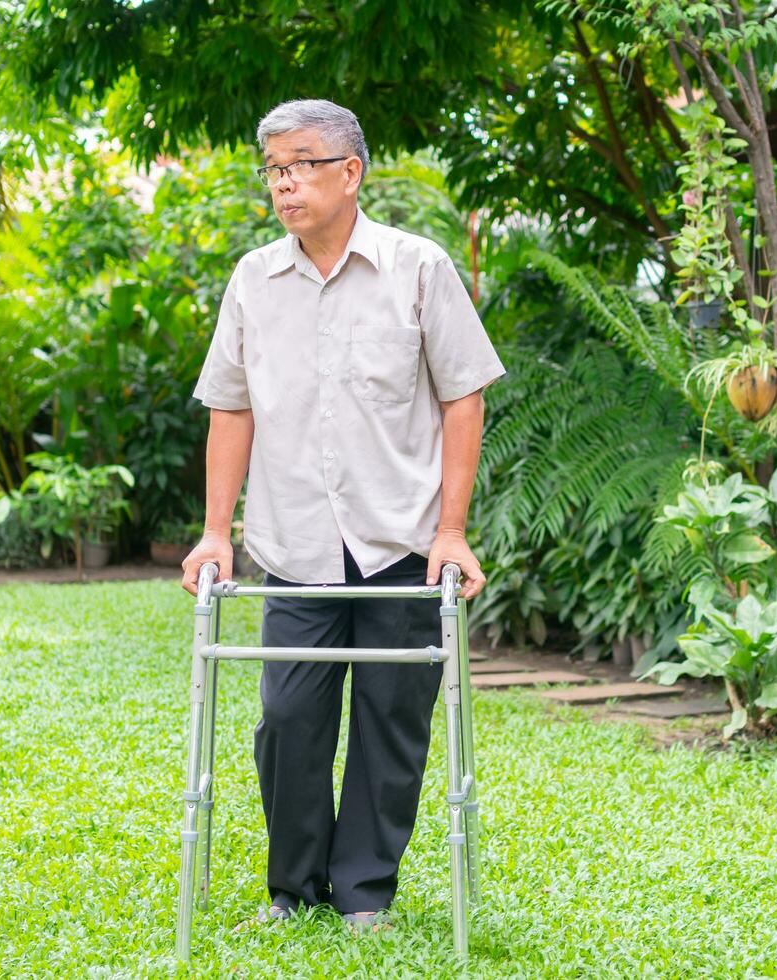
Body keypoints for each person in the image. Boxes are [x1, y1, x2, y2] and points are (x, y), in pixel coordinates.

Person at [180, 98, 505, 936]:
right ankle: (292, 888)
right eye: (274, 168)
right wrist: (217, 530)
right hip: (294, 546)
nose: (285, 183)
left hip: (402, 541)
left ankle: (364, 892)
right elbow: (231, 407)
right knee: (288, 719)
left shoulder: (417, 267)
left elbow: (463, 396)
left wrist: (453, 530)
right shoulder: (254, 278)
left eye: (301, 164)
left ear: (350, 172)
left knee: (392, 721)